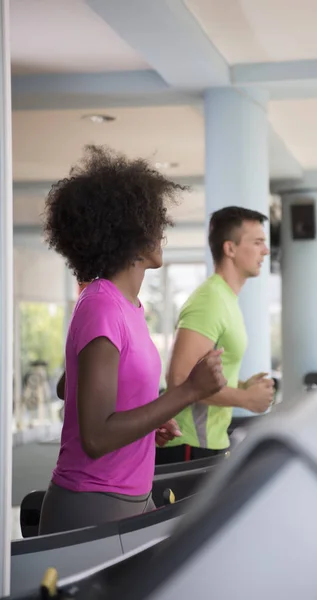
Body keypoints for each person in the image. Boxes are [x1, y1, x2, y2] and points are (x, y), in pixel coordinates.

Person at [38, 145, 226, 535]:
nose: (161, 232)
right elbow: (95, 436)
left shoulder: (129, 306)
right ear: (127, 233)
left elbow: (76, 388)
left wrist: (147, 423)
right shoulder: (102, 307)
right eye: (153, 222)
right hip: (92, 505)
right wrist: (189, 390)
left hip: (131, 497)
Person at [156, 206, 275, 464]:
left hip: (209, 442)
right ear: (230, 248)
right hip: (187, 443)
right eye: (257, 242)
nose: (265, 250)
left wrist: (242, 385)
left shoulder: (226, 298)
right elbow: (179, 379)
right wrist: (246, 399)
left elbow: (204, 373)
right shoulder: (210, 300)